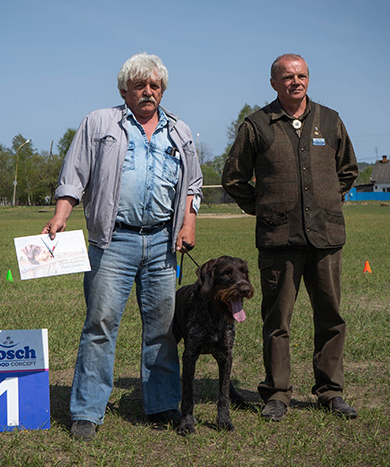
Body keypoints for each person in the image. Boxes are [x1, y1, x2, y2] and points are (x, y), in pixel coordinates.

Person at [43, 52, 203, 440]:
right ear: (124, 90)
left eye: (155, 86)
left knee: (163, 329)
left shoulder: (180, 131)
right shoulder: (99, 122)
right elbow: (74, 174)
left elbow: (192, 185)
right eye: (140, 86)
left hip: (164, 243)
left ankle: (163, 404)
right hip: (111, 240)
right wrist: (61, 214)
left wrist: (189, 222)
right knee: (100, 325)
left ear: (162, 90)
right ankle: (87, 411)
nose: (148, 92)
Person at [222, 53, 358, 422]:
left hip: (326, 237)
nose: (295, 82)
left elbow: (347, 171)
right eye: (287, 77)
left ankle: (331, 391)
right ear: (273, 83)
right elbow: (234, 178)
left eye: (301, 76)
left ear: (308, 80)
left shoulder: (330, 120)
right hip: (278, 240)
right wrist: (265, 208)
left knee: (331, 317)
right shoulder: (256, 125)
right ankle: (277, 394)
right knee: (277, 319)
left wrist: (325, 202)